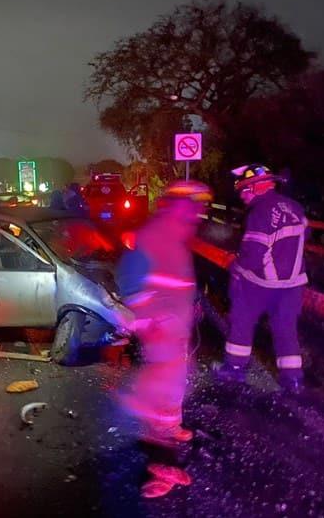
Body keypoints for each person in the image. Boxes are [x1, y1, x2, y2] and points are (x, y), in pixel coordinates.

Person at [115, 180, 212, 498]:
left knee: (174, 384)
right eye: (194, 203)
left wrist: (192, 302)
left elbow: (176, 279)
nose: (200, 210)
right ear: (175, 204)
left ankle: (169, 428)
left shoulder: (176, 235)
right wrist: (149, 319)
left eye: (202, 204)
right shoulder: (158, 234)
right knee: (161, 389)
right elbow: (130, 275)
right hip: (162, 329)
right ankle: (160, 467)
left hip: (175, 327)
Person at [216, 164, 308, 393]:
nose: (242, 196)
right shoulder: (295, 207)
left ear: (258, 186)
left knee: (242, 321)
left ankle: (235, 369)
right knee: (286, 329)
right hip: (294, 284)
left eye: (245, 190)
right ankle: (293, 380)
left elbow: (254, 253)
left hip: (260, 283)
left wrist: (236, 268)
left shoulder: (260, 212)